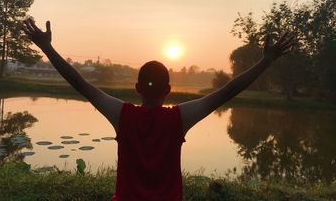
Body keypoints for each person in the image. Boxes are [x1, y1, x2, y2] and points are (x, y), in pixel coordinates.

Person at [23, 19, 294, 201]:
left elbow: (80, 83)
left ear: (138, 87)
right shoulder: (179, 119)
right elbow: (226, 92)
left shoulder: (122, 115)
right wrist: (265, 61)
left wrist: (47, 47)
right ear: (169, 90)